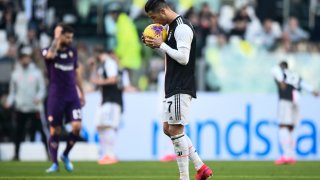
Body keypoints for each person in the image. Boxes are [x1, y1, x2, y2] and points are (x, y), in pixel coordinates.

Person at [143, 0, 213, 179]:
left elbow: (183, 58)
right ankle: (200, 167)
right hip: (173, 85)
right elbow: (171, 54)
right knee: (168, 128)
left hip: (180, 85)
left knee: (175, 130)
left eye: (154, 17)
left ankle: (184, 176)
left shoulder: (182, 28)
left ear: (163, 11)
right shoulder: (171, 28)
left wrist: (162, 44)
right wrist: (155, 45)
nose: (154, 23)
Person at [42, 23, 85, 173]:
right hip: (56, 96)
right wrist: (56, 38)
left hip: (72, 95)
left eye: (71, 37)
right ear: (60, 36)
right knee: (55, 130)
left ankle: (65, 154)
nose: (69, 40)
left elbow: (76, 73)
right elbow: (50, 56)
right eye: (67, 37)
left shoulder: (72, 52)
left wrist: (82, 93)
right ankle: (54, 163)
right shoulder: (48, 49)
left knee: (77, 127)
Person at [5, 46, 48, 161]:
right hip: (21, 108)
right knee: (18, 132)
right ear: (20, 59)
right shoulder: (15, 74)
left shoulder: (36, 73)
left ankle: (49, 154)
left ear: (30, 59)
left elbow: (42, 89)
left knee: (42, 131)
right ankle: (16, 155)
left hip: (34, 108)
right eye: (23, 58)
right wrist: (9, 101)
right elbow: (12, 92)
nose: (25, 60)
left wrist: (38, 98)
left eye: (27, 58)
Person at [271, 61, 319, 165]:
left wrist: (281, 81)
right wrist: (313, 91)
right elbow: (304, 84)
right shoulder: (294, 75)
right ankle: (292, 155)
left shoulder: (280, 71)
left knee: (283, 126)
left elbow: (275, 70)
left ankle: (287, 155)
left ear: (281, 66)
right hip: (297, 99)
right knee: (291, 127)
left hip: (286, 99)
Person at [90, 48, 129, 165]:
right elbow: (94, 80)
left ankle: (111, 154)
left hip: (112, 99)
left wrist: (99, 82)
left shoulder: (110, 63)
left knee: (109, 126)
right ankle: (107, 153)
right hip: (104, 100)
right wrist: (93, 68)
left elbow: (112, 79)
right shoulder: (102, 65)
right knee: (100, 126)